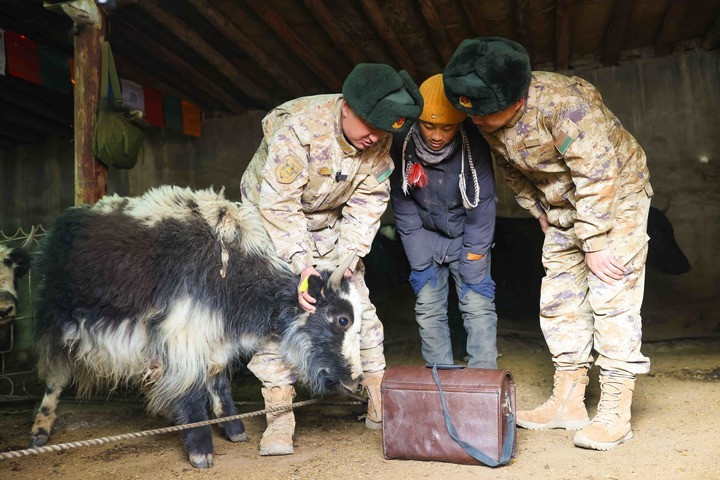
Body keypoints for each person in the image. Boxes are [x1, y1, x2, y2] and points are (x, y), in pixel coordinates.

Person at [443, 37, 653, 451]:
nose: (477, 121)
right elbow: (510, 167)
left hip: (615, 198)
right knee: (560, 298)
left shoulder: (563, 104)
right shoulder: (486, 117)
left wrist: (595, 241)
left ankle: (616, 410)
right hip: (561, 206)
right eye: (472, 113)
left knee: (612, 295)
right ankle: (568, 401)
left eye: (485, 113)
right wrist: (536, 208)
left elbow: (598, 174)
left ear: (517, 99)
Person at [240, 63, 423, 456]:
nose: (376, 136)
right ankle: (279, 413)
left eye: (383, 130)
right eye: (369, 126)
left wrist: (349, 257)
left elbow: (368, 200)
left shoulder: (377, 138)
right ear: (346, 107)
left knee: (359, 306)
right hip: (269, 221)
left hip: (329, 221)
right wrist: (302, 264)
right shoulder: (299, 129)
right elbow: (280, 205)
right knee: (283, 313)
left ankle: (376, 395)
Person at [389, 73, 498, 369]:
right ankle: (440, 380)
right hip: (425, 236)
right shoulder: (403, 145)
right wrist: (420, 262)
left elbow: (482, 208)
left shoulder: (474, 145)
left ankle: (483, 379)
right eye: (429, 126)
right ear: (417, 121)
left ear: (459, 124)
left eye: (447, 128)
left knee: (476, 304)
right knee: (428, 308)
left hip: (468, 237)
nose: (437, 136)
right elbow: (404, 206)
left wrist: (474, 261)